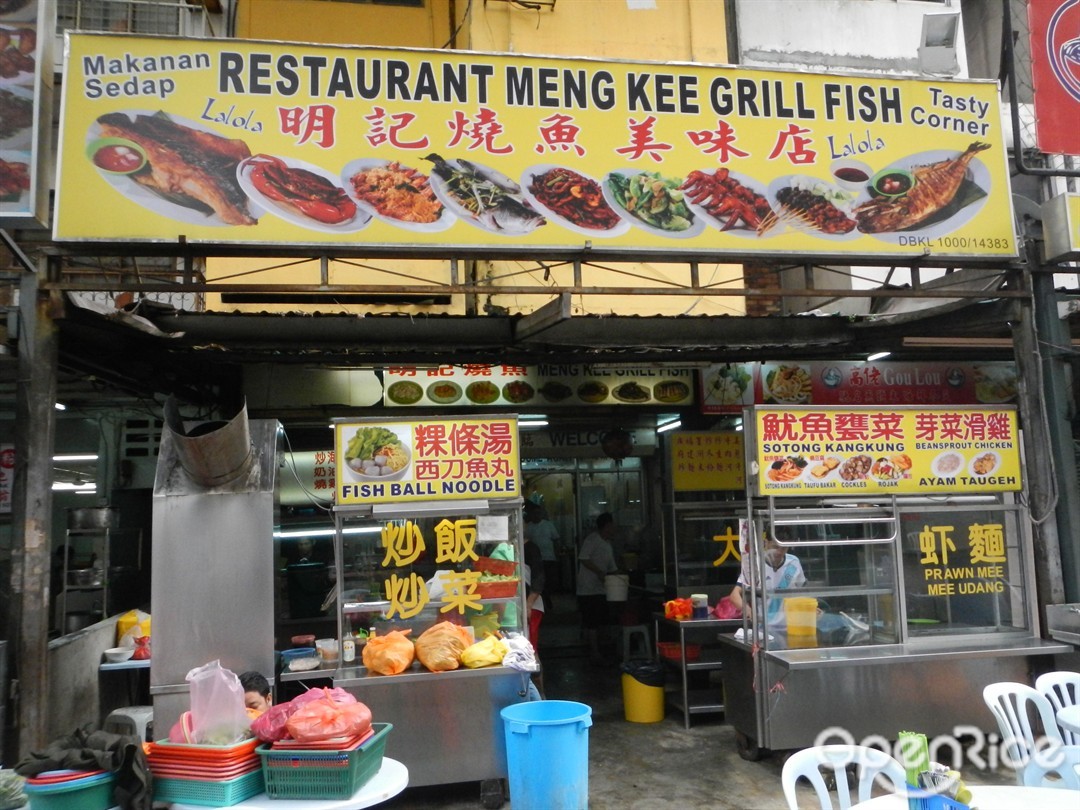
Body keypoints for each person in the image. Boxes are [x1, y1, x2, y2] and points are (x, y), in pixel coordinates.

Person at [728, 530, 806, 630]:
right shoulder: (755, 565)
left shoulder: (794, 563)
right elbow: (734, 595)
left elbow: (803, 593)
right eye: (775, 547)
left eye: (783, 548)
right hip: (763, 628)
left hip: (791, 626)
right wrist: (747, 609)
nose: (779, 552)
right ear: (766, 542)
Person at [576, 512, 618, 665]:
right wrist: (599, 572)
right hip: (587, 589)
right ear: (606, 526)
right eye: (612, 525)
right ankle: (594, 652)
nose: (614, 528)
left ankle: (600, 649)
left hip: (601, 589)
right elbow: (583, 558)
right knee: (592, 621)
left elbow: (612, 567)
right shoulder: (592, 540)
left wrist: (619, 577)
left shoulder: (608, 544)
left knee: (601, 621)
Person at [523, 501, 561, 592]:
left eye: (538, 513)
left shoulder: (548, 525)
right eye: (534, 513)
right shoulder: (528, 527)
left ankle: (548, 600)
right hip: (534, 559)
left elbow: (556, 540)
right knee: (537, 581)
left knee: (548, 581)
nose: (537, 515)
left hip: (549, 557)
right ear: (531, 514)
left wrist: (557, 554)